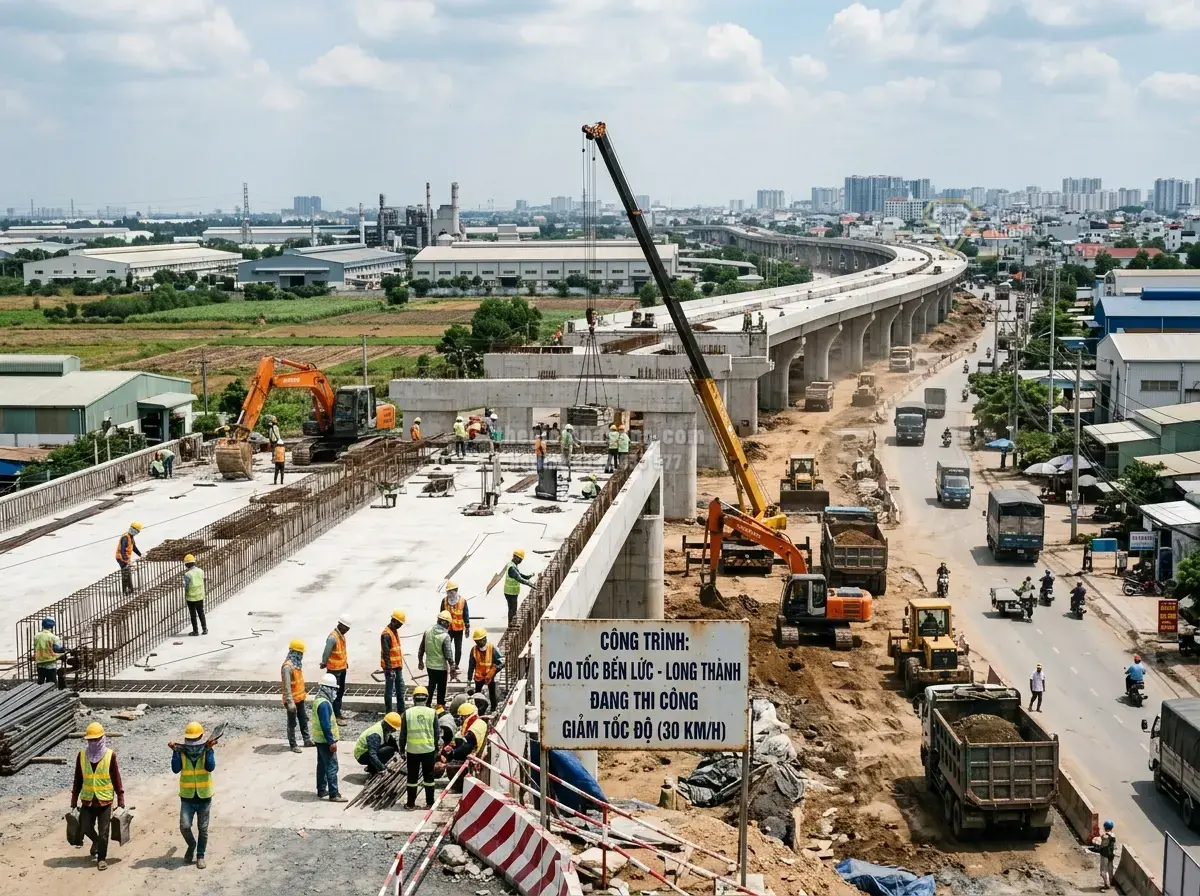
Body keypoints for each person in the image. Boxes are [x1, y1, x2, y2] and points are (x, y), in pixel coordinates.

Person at [71, 722, 125, 871]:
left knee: (104, 832)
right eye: (90, 740)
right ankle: (95, 842)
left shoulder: (110, 755)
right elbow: (77, 779)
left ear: (102, 738)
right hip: (88, 800)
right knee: (85, 827)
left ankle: (101, 858)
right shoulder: (82, 756)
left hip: (104, 801)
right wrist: (74, 801)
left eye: (96, 739)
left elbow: (116, 779)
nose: (93, 742)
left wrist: (120, 799)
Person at [171, 721, 215, 869]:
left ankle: (200, 855)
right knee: (184, 826)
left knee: (203, 829)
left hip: (204, 796)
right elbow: (175, 769)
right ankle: (192, 845)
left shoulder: (207, 749)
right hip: (187, 797)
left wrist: (209, 751)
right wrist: (175, 752)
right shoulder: (181, 752)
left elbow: (210, 766)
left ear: (201, 738)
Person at [400, 686, 439, 809]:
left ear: (414, 699)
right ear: (427, 698)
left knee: (412, 778)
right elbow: (436, 733)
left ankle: (410, 804)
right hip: (428, 750)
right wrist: (436, 748)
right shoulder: (432, 713)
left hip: (412, 751)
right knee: (429, 778)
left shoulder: (407, 713)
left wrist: (401, 749)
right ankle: (430, 803)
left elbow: (403, 734)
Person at [311, 673, 346, 801]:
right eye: (334, 689)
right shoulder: (324, 704)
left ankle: (321, 790)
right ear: (328, 689)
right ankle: (334, 793)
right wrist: (331, 741)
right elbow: (326, 725)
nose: (335, 692)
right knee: (332, 766)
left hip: (319, 739)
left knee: (321, 765)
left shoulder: (318, 699)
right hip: (325, 740)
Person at [442, 702, 489, 790]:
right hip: (479, 752)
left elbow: (464, 749)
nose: (460, 719)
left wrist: (452, 753)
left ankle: (459, 787)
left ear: (466, 716)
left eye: (461, 717)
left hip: (476, 757)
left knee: (453, 764)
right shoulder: (479, 722)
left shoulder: (473, 730)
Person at [418, 611, 457, 710]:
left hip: (430, 665)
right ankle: (440, 705)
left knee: (431, 685)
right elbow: (448, 654)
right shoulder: (445, 636)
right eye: (448, 624)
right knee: (441, 687)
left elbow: (421, 647)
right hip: (441, 667)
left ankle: (427, 704)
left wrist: (420, 660)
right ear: (446, 623)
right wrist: (452, 666)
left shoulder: (427, 631)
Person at [280, 639, 313, 753]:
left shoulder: (296, 665)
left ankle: (307, 740)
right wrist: (289, 701)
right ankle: (293, 744)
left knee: (303, 719)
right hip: (292, 700)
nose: (301, 656)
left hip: (299, 698)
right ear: (294, 652)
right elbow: (287, 686)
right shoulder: (287, 667)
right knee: (292, 722)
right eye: (299, 653)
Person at [320, 617, 350, 724]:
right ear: (341, 625)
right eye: (346, 628)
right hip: (334, 670)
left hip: (342, 668)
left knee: (340, 692)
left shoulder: (341, 636)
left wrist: (345, 663)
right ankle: (335, 715)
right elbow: (326, 652)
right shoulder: (333, 637)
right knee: (334, 693)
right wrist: (324, 662)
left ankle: (338, 712)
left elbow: (341, 652)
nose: (347, 630)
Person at [467, 627, 503, 712]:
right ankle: (478, 709)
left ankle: (493, 709)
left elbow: (501, 661)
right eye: (477, 641)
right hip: (478, 677)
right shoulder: (474, 650)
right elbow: (471, 665)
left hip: (489, 676)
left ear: (485, 639)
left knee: (492, 693)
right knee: (477, 695)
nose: (478, 643)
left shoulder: (492, 649)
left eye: (480, 641)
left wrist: (494, 671)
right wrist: (469, 679)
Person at [381, 609, 406, 715]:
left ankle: (401, 711)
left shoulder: (394, 631)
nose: (400, 626)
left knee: (400, 688)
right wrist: (390, 669)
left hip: (397, 666)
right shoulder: (386, 635)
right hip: (390, 667)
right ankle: (389, 712)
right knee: (389, 690)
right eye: (399, 624)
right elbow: (386, 654)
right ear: (394, 621)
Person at [440, 583, 470, 666]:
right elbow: (441, 615)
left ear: (456, 590)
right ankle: (448, 664)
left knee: (458, 649)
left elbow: (466, 615)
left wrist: (467, 627)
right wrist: (440, 628)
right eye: (448, 592)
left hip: (458, 629)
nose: (450, 593)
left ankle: (456, 665)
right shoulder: (444, 601)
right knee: (446, 647)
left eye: (452, 591)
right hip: (447, 629)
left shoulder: (462, 601)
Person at [504, 549, 536, 625]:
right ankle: (511, 624)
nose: (520, 561)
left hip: (510, 591)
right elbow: (519, 578)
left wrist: (527, 577)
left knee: (511, 609)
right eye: (520, 559)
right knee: (512, 610)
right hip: (511, 592)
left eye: (521, 559)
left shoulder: (512, 565)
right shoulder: (512, 568)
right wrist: (529, 584)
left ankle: (511, 623)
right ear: (515, 557)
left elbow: (519, 574)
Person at [33, 616, 66, 687]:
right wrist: (63, 650)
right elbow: (56, 649)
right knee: (51, 682)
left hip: (40, 661)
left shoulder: (37, 636)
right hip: (50, 662)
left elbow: (36, 646)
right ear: (52, 626)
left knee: (40, 681)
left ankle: (39, 692)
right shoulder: (53, 637)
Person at [115, 521, 143, 596]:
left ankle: (130, 590)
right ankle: (126, 591)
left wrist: (140, 554)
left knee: (127, 573)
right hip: (121, 558)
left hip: (125, 558)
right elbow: (122, 550)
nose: (137, 533)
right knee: (125, 574)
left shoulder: (131, 537)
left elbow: (134, 547)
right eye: (137, 531)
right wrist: (126, 560)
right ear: (134, 529)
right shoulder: (125, 537)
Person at [183, 553, 207, 637]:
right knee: (201, 613)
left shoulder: (187, 574)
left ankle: (195, 631)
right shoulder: (201, 571)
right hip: (200, 595)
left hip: (191, 598)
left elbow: (186, 586)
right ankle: (204, 629)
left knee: (193, 615)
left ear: (186, 565)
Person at [1094, 820, 1117, 889]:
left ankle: (1106, 884)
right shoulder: (1113, 835)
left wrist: (1098, 847)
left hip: (1105, 854)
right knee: (1110, 869)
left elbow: (1102, 845)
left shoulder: (1105, 836)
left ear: (1105, 827)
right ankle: (1111, 881)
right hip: (1111, 854)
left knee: (1103, 870)